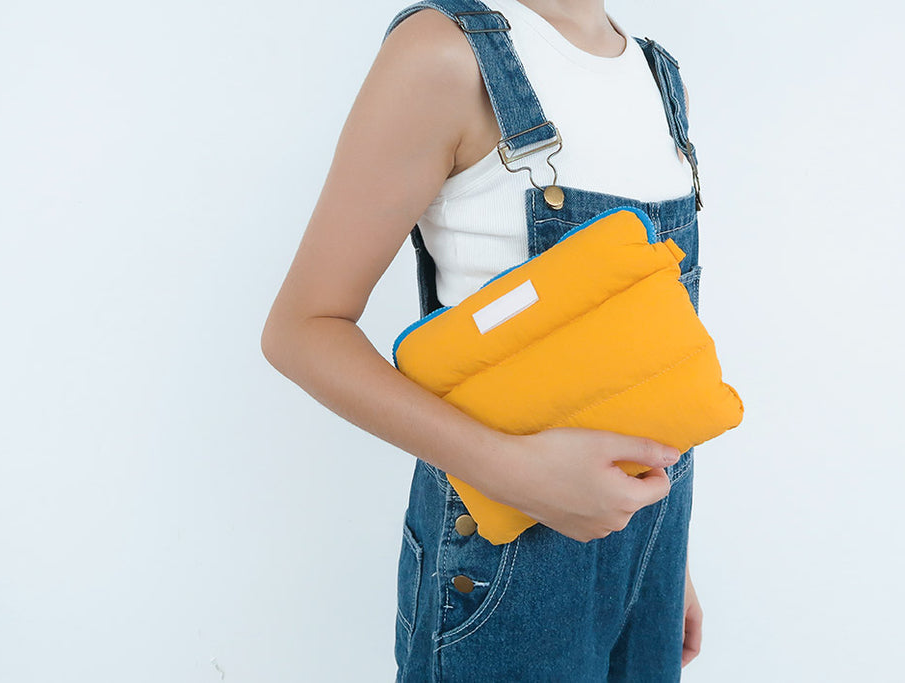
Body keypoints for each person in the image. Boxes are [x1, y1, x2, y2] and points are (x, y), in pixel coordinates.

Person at [261, 0, 704, 679]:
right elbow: (301, 330)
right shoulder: (446, 53)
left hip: (643, 558)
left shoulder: (655, 73)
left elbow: (649, 360)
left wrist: (660, 556)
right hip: (504, 570)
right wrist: (514, 471)